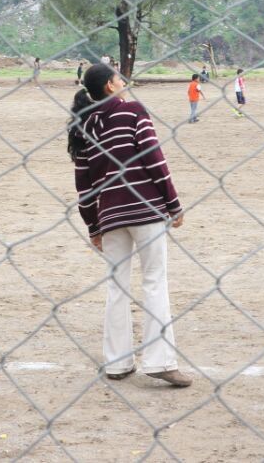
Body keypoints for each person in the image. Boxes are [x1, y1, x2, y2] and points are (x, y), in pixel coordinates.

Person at [68, 63, 193, 388]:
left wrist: (93, 225)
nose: (124, 81)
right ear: (110, 86)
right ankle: (160, 361)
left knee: (117, 286)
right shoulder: (133, 111)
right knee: (154, 280)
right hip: (145, 209)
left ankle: (117, 363)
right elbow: (154, 157)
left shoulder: (85, 126)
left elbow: (83, 185)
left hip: (110, 215)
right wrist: (173, 203)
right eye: (118, 77)